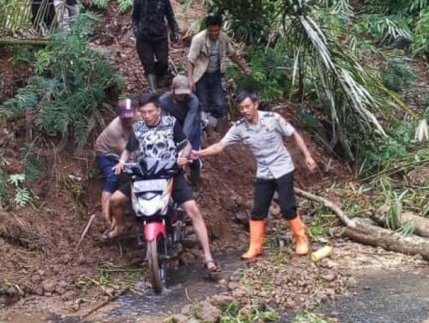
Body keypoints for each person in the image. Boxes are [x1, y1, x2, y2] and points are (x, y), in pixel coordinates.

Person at [191, 91, 317, 259]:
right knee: (258, 210)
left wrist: (307, 156)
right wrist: (200, 153)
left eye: (247, 106)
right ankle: (255, 247)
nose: (244, 110)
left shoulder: (273, 119)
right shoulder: (239, 128)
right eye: (241, 108)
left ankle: (301, 240)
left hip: (282, 167)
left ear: (256, 105)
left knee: (287, 207)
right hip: (264, 172)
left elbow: (293, 134)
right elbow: (220, 145)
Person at [108, 92, 221, 273]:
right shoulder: (138, 128)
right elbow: (128, 150)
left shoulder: (170, 124)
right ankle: (121, 226)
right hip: (145, 176)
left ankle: (208, 257)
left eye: (151, 111)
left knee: (193, 210)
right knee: (115, 200)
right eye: (143, 112)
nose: (147, 116)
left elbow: (186, 145)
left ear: (158, 110)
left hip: (169, 174)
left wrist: (183, 157)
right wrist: (122, 162)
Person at [187, 15, 250, 133]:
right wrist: (190, 79)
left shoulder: (223, 38)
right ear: (207, 29)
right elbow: (190, 60)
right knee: (203, 103)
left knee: (219, 103)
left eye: (216, 30)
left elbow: (232, 54)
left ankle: (221, 130)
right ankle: (207, 130)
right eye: (211, 30)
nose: (214, 33)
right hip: (200, 75)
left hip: (215, 73)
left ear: (220, 29)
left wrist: (244, 68)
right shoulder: (198, 39)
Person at [132, 0, 180, 92]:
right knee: (148, 64)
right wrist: (136, 31)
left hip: (160, 37)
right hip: (144, 38)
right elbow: (134, 17)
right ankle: (153, 90)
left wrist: (175, 31)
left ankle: (156, 78)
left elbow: (170, 16)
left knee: (163, 63)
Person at [94, 99, 137, 232]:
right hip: (106, 152)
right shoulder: (115, 129)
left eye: (131, 116)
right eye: (125, 117)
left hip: (122, 152)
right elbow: (126, 151)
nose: (128, 120)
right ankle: (105, 215)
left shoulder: (139, 117)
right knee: (112, 177)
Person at [159, 75, 203, 186]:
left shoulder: (193, 100)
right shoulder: (163, 101)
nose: (182, 96)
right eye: (179, 93)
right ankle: (178, 183)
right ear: (172, 89)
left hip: (192, 127)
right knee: (174, 156)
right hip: (175, 126)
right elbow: (165, 121)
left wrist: (183, 144)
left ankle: (195, 180)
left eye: (184, 93)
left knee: (193, 156)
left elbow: (189, 122)